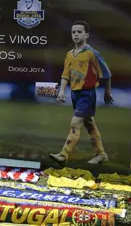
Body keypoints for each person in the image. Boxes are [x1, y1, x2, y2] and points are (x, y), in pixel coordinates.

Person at [50, 20, 114, 166]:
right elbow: (65, 74)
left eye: (79, 32)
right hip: (75, 94)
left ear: (87, 35)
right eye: (74, 32)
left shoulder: (92, 54)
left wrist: (107, 92)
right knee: (89, 123)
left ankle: (63, 154)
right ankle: (101, 154)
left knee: (75, 122)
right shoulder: (70, 54)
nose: (76, 34)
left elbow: (107, 73)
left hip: (87, 94)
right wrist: (61, 91)